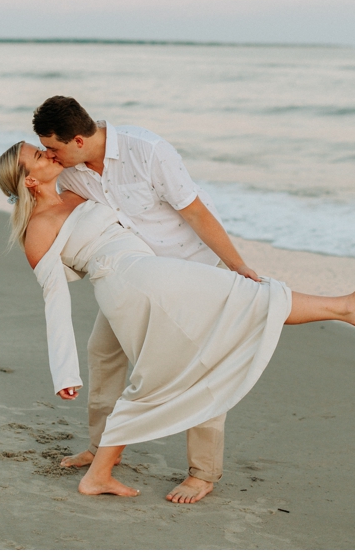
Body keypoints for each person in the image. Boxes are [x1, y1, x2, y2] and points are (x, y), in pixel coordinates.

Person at [0, 141, 355, 499]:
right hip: (134, 281)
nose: (49, 154)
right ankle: (345, 308)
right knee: (236, 302)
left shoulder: (77, 188)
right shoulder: (39, 228)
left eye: (46, 148)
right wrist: (65, 372)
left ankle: (101, 468)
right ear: (30, 180)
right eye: (39, 156)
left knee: (158, 371)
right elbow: (54, 298)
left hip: (147, 276)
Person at [33, 95, 254, 504]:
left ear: (79, 139)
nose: (51, 155)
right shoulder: (71, 174)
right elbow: (45, 204)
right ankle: (102, 450)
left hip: (192, 269)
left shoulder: (147, 151)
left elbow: (197, 214)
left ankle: (202, 473)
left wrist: (237, 266)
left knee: (199, 367)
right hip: (135, 279)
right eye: (46, 150)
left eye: (55, 148)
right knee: (103, 352)